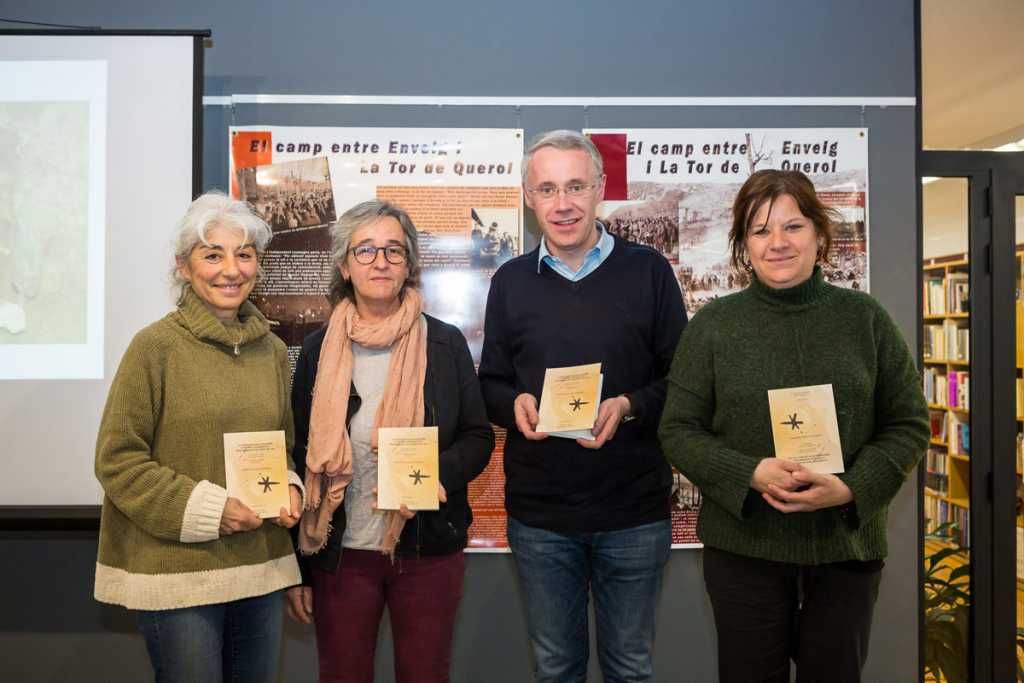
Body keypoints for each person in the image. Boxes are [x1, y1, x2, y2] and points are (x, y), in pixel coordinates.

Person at [658, 169, 929, 683]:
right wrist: (749, 473)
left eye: (793, 226)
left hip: (844, 551)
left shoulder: (865, 319)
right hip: (744, 552)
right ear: (743, 245)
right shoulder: (713, 327)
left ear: (820, 234)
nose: (777, 243)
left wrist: (851, 488)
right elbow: (678, 430)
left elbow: (909, 424)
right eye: (760, 231)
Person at [478, 130, 687, 682]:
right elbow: (492, 383)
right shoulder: (510, 281)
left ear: (599, 191)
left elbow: (682, 382)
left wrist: (629, 405)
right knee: (556, 669)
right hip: (542, 518)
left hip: (634, 514)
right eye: (547, 189)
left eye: (575, 186)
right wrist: (515, 403)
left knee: (630, 668)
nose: (562, 203)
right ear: (528, 198)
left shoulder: (649, 273)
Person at [94, 191, 304, 683]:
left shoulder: (272, 350)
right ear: (183, 268)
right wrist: (212, 511)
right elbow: (118, 460)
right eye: (213, 254)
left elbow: (282, 445)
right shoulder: (154, 347)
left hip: (260, 568)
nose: (231, 269)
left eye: (245, 254)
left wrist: (289, 485)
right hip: (179, 576)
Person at [286, 200, 494, 683]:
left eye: (394, 251)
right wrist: (298, 566)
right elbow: (298, 453)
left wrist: (435, 475)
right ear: (344, 265)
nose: (380, 261)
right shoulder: (319, 348)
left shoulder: (443, 343)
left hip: (427, 549)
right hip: (340, 552)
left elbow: (479, 435)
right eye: (366, 250)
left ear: (409, 264)